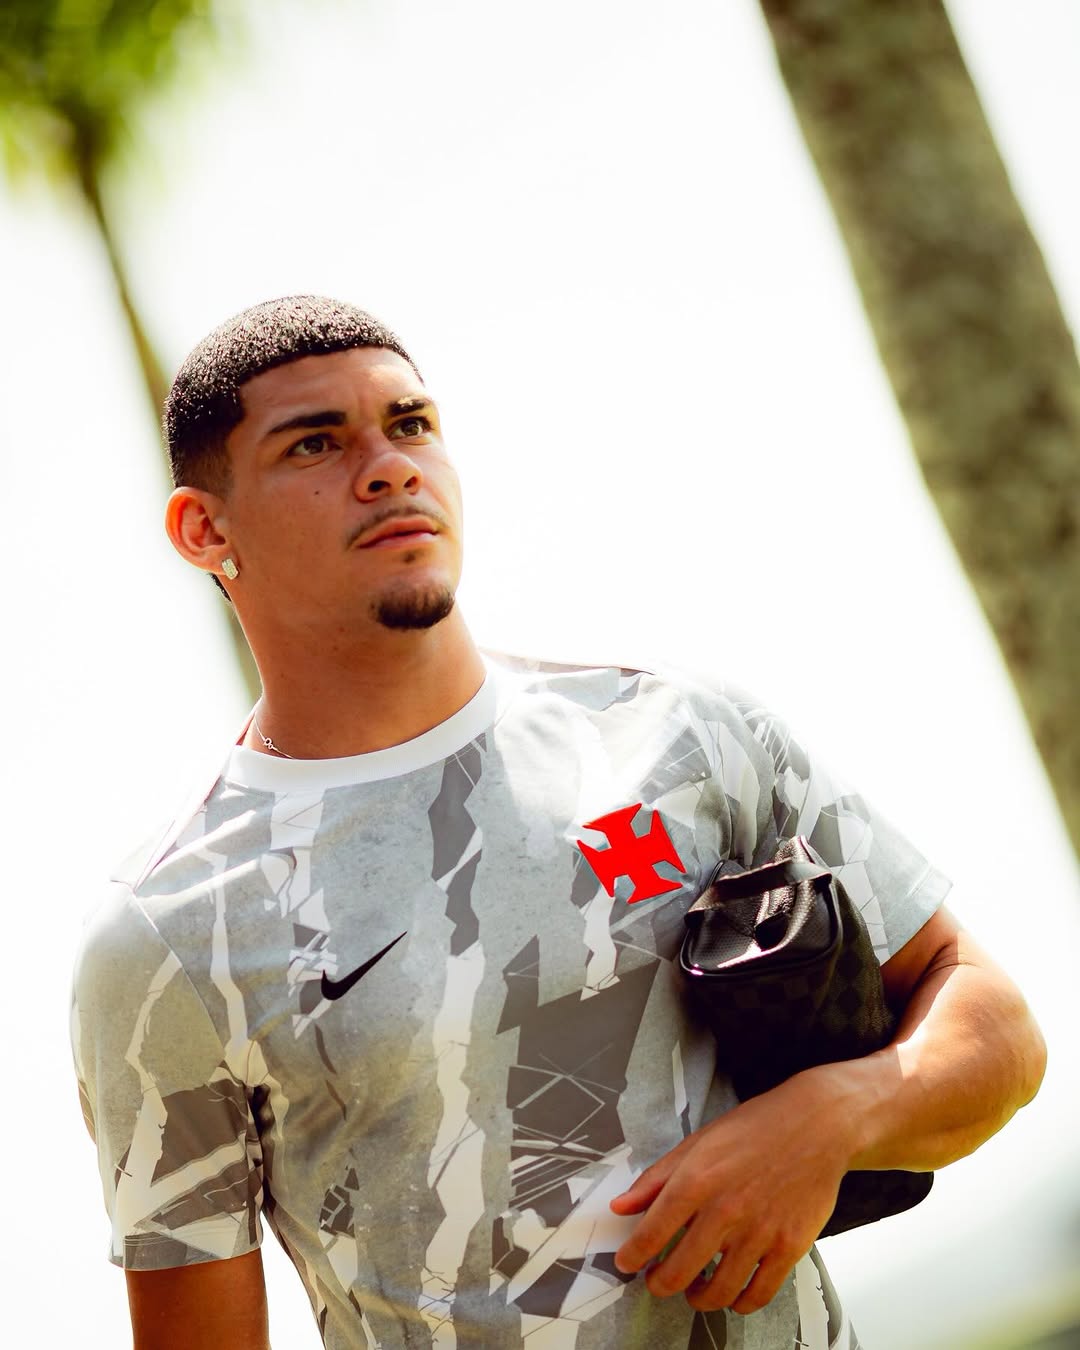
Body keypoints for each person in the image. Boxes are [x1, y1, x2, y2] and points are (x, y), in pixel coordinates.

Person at [70, 294, 1046, 1350]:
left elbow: (995, 1028)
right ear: (205, 529)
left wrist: (829, 1118)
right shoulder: (171, 937)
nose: (388, 468)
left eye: (410, 424)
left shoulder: (678, 732)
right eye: (315, 443)